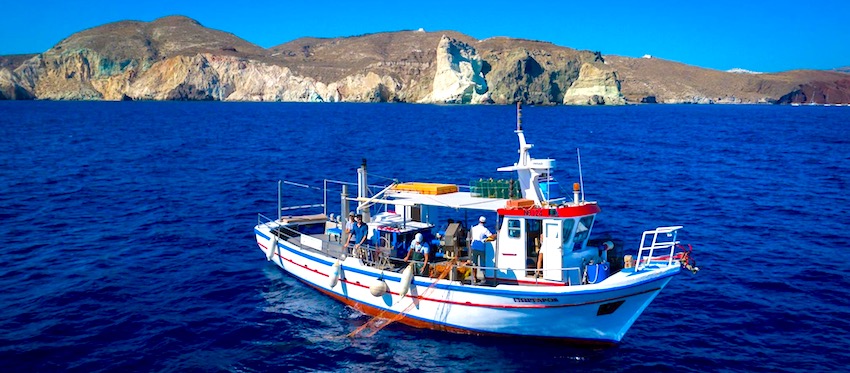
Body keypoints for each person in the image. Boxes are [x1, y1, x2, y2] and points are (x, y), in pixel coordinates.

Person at [469, 216, 495, 284]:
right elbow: (491, 236)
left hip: (474, 247)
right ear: (484, 222)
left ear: (479, 221)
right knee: (482, 263)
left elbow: (471, 237)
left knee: (474, 263)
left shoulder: (473, 228)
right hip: (481, 248)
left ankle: (474, 278)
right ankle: (484, 277)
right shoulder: (485, 229)